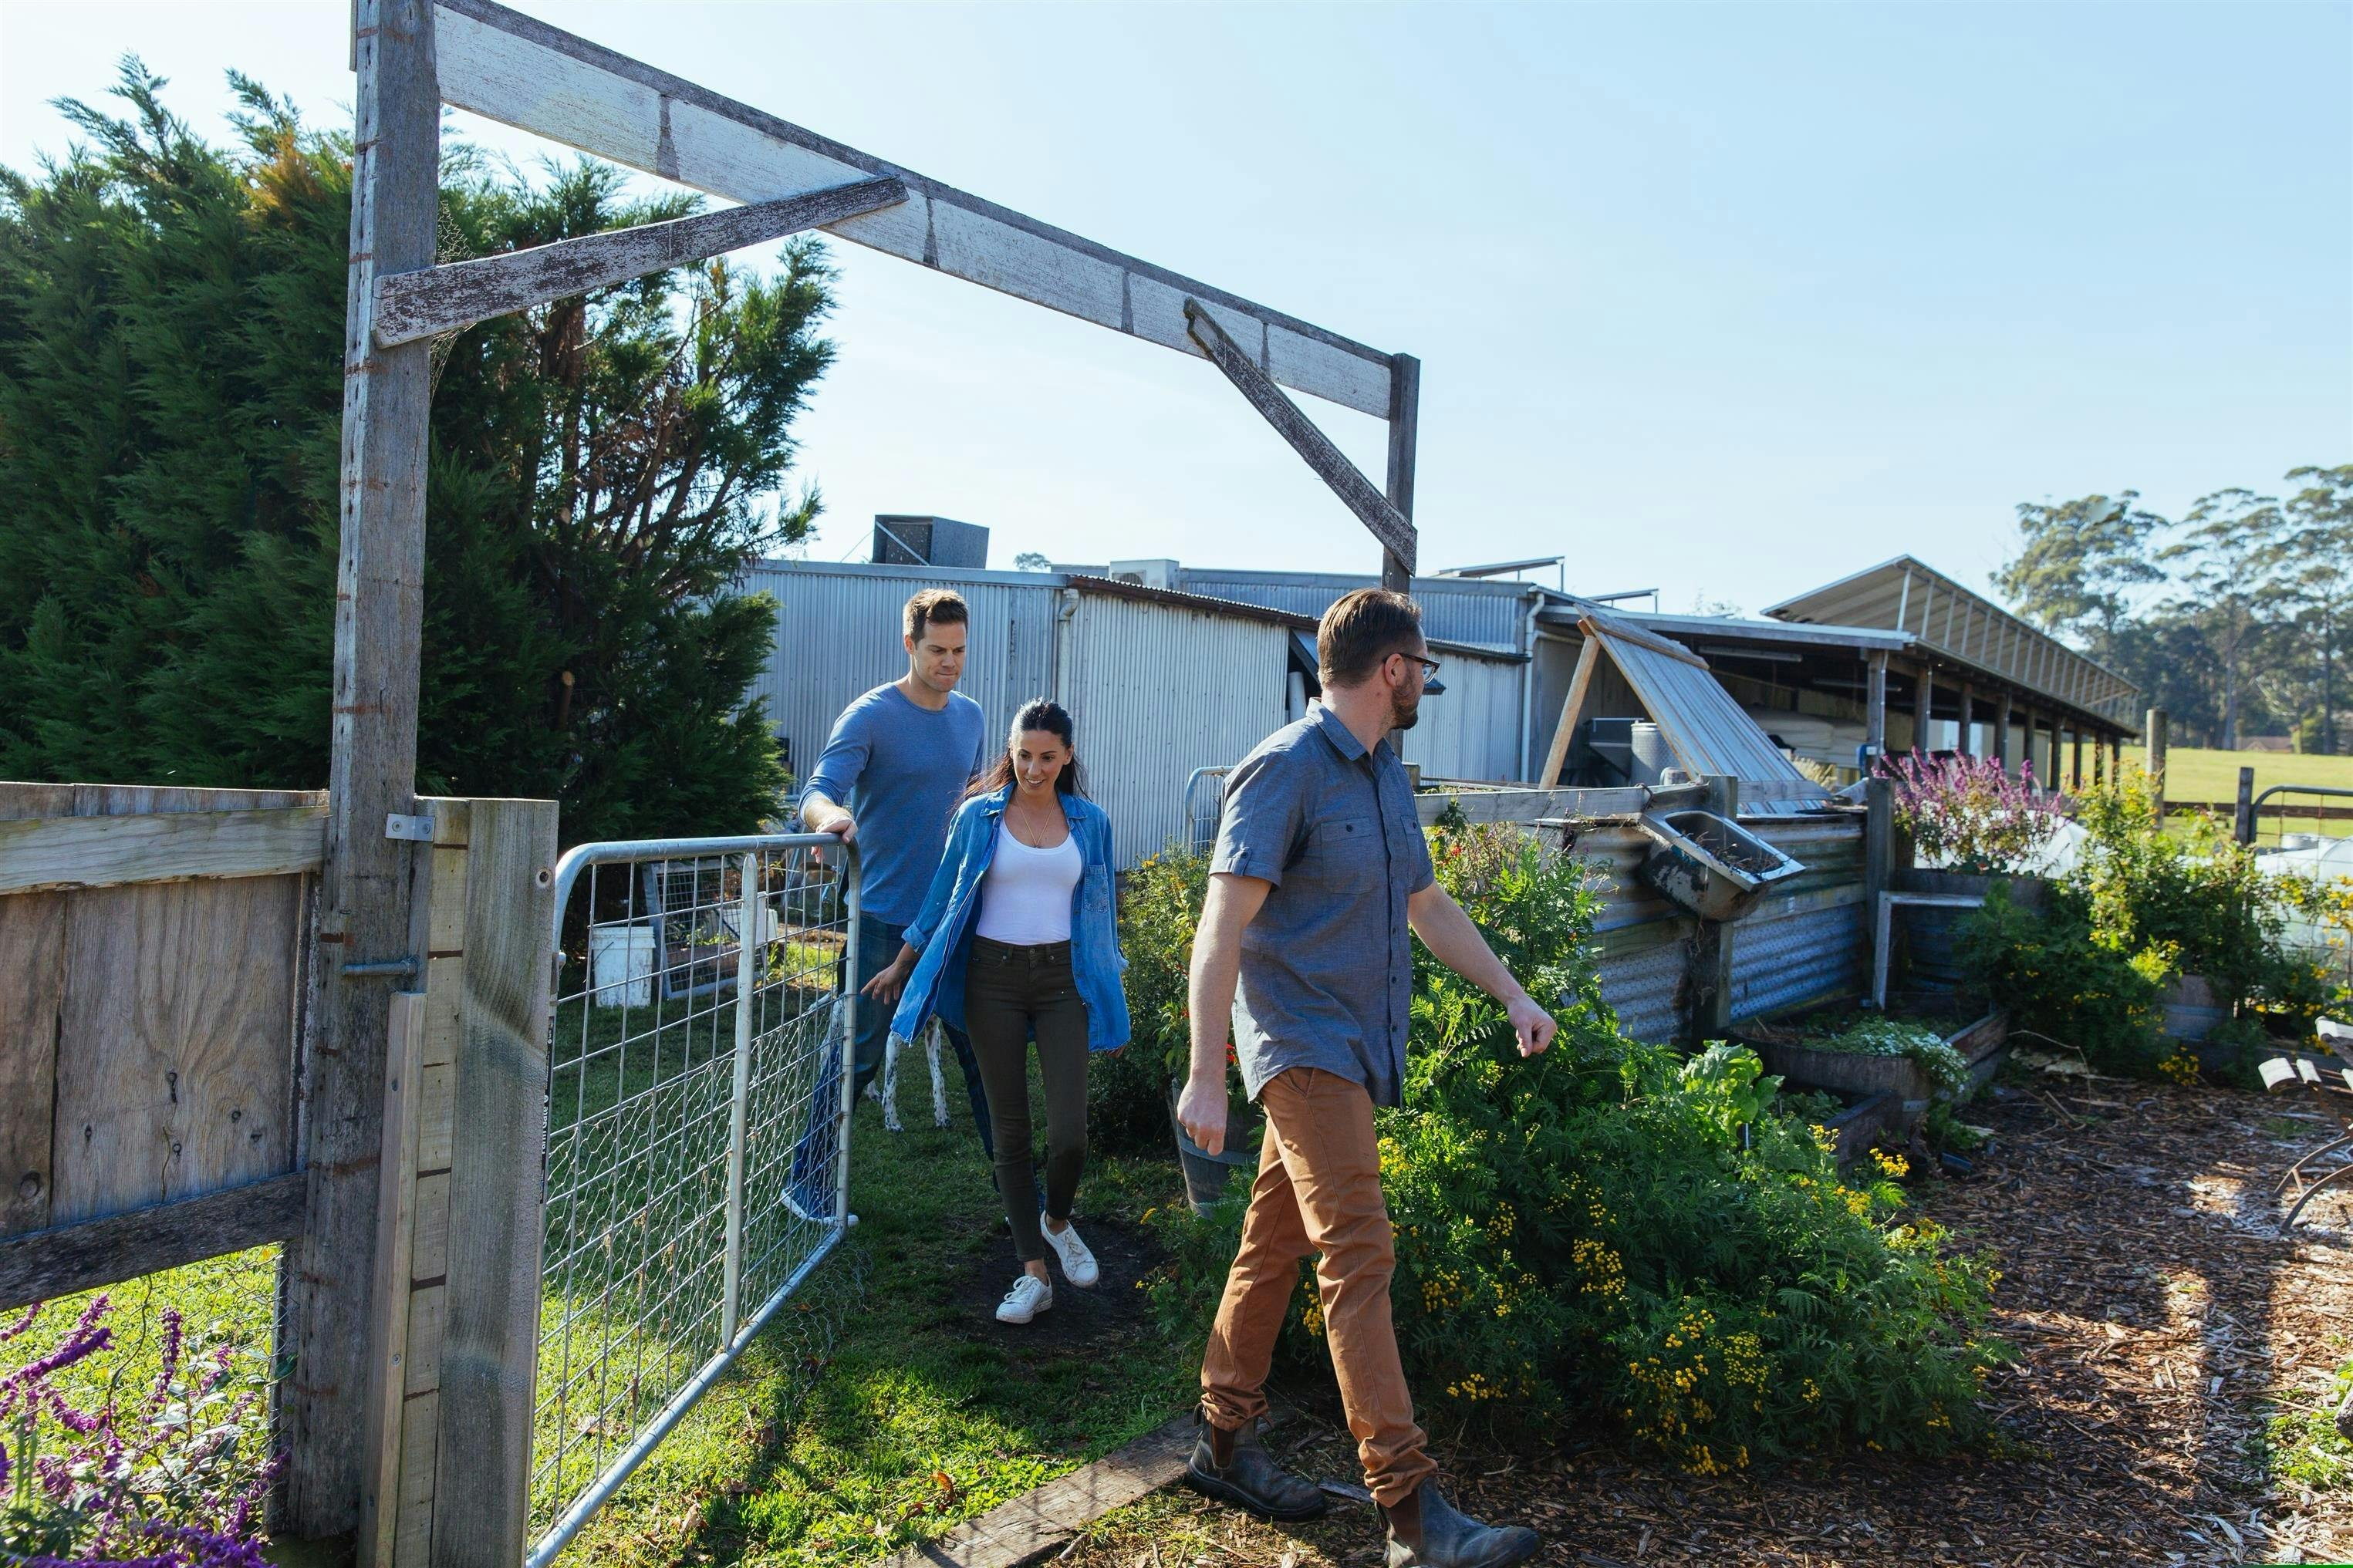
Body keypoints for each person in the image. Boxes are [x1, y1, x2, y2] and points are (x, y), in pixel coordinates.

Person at [1176, 589, 1555, 1568]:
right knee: (1358, 1249)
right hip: (1301, 1047)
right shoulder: (1283, 768)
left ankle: (1222, 1437)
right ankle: (1408, 1507)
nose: (1427, 678)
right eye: (1423, 663)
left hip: (1353, 1043)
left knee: (1275, 1242)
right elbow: (1219, 930)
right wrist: (1203, 1074)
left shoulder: (1385, 770)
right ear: (1392, 667)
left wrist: (1511, 993)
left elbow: (1423, 902)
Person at [863, 699, 1129, 1324]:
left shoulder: (1091, 822)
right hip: (993, 982)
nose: (1033, 768)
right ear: (1009, 751)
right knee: (1010, 1132)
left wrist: (1111, 1000)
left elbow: (1100, 920)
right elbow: (941, 897)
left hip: (1063, 981)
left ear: (1067, 756)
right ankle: (1033, 1271)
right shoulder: (976, 818)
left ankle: (1056, 1220)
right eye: (1023, 754)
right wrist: (904, 963)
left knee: (1070, 1135)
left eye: (1046, 756)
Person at [789, 588, 1014, 1220]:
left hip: (952, 918)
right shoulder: (869, 716)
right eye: (937, 650)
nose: (949, 662)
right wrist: (832, 817)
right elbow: (816, 790)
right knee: (856, 1055)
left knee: (985, 1055)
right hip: (882, 916)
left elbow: (968, 802)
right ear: (909, 644)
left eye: (959, 650)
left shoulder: (969, 716)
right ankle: (807, 1181)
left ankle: (1019, 1194)